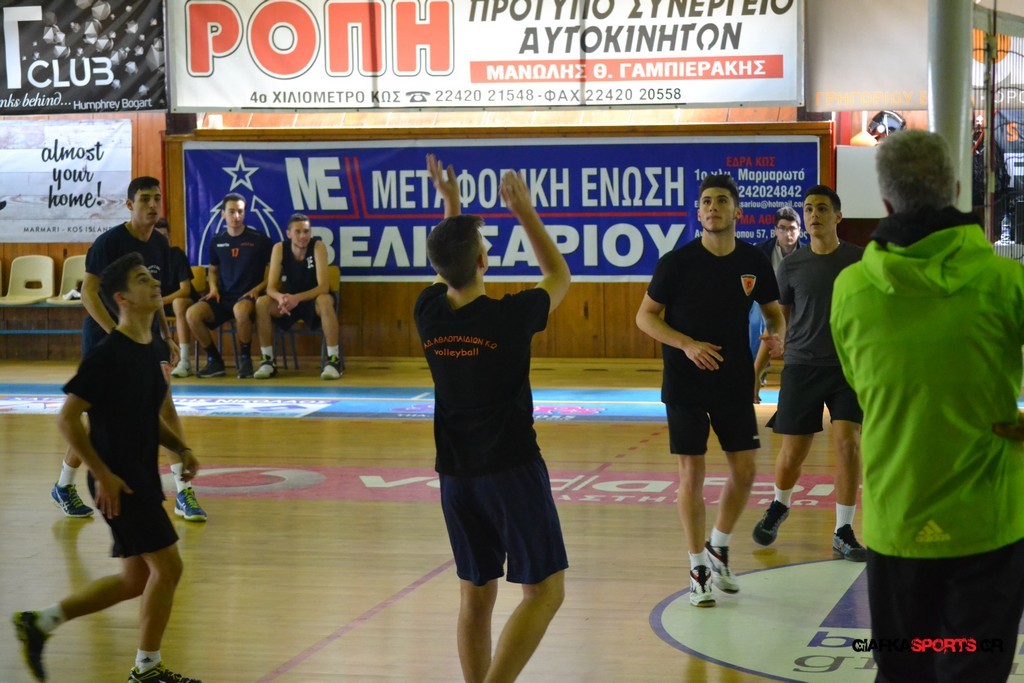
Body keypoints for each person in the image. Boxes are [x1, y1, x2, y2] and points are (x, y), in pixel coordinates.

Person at [831, 129, 1024, 682]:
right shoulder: (1005, 282)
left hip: (897, 519)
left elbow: (861, 384)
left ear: (885, 201)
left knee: (903, 670)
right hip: (988, 523)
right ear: (957, 189)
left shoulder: (851, 290)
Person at [414, 154, 570, 682]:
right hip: (511, 471)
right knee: (545, 591)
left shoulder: (428, 312)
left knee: (475, 596)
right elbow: (558, 274)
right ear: (484, 261)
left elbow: (449, 261)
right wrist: (525, 212)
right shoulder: (510, 317)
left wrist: (452, 205)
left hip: (456, 478)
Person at [13, 252, 203, 683]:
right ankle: (147, 669)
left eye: (151, 277)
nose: (154, 284)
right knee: (169, 568)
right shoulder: (108, 354)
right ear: (122, 298)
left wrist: (180, 447)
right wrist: (101, 474)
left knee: (135, 579)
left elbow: (146, 414)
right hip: (119, 480)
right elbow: (67, 418)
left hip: (140, 473)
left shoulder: (153, 349)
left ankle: (41, 622)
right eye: (142, 279)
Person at [635, 173, 785, 608]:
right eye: (706, 202)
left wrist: (776, 335)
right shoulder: (676, 263)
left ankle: (718, 545)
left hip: (733, 379)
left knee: (746, 471)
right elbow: (645, 317)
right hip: (684, 382)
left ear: (737, 211)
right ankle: (698, 566)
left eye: (721, 200)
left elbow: (774, 313)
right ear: (698, 213)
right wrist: (686, 344)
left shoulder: (754, 261)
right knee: (692, 475)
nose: (713, 207)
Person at [50, 178, 206, 524]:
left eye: (157, 198)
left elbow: (156, 294)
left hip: (146, 337)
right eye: (145, 199)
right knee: (98, 417)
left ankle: (184, 492)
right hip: (106, 336)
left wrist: (165, 334)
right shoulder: (109, 243)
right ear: (129, 205)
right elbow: (88, 293)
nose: (152, 205)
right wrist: (116, 336)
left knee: (164, 405)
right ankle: (64, 484)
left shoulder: (160, 244)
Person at [750, 186, 866, 561]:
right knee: (793, 453)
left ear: (838, 217)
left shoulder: (859, 261)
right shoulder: (791, 266)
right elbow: (777, 322)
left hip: (848, 369)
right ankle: (780, 503)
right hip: (802, 366)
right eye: (809, 208)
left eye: (822, 208)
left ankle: (843, 530)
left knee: (848, 444)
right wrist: (756, 371)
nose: (814, 214)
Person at [184, 193, 271, 379]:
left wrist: (258, 289)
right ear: (223, 214)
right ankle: (215, 361)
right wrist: (213, 288)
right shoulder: (216, 241)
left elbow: (273, 273)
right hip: (223, 297)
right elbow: (213, 270)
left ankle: (245, 360)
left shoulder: (259, 240)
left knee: (240, 310)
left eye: (240, 212)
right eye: (231, 212)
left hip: (249, 297)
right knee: (192, 314)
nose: (236, 216)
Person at [252, 213, 343, 380]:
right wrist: (280, 298)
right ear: (288, 234)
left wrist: (297, 298)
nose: (303, 236)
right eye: (298, 232)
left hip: (313, 299)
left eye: (306, 231)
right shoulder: (279, 248)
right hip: (289, 301)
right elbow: (271, 287)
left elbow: (323, 287)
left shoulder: (318, 247)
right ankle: (267, 360)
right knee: (262, 302)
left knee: (325, 300)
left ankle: (333, 360)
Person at [750, 206, 801, 384]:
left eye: (792, 229)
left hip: (793, 301)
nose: (788, 234)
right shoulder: (761, 251)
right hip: (765, 299)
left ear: (799, 230)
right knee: (755, 323)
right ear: (775, 230)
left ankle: (797, 371)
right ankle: (757, 370)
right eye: (783, 228)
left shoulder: (806, 253)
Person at [152, 219, 199, 379]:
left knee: (178, 304)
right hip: (160, 304)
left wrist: (161, 302)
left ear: (169, 238)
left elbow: (185, 290)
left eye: (165, 236)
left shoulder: (176, 254)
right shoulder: (147, 258)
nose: (162, 240)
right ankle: (153, 360)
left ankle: (185, 361)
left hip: (184, 302)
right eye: (158, 236)